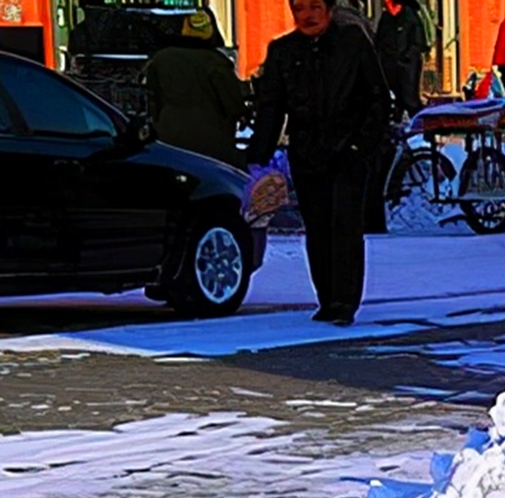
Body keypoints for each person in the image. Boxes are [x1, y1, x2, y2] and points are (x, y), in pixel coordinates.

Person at [249, 0, 390, 326]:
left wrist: (361, 145)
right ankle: (326, 298)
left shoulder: (352, 43)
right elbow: (270, 110)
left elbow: (378, 98)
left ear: (328, 9)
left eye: (315, 6)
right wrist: (258, 159)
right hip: (307, 153)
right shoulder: (283, 51)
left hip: (347, 152)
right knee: (317, 229)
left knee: (345, 228)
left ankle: (344, 302)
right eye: (300, 8)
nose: (308, 15)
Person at [144, 10, 244, 167]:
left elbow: (152, 102)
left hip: (169, 143)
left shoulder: (161, 59)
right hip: (213, 147)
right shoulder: (216, 62)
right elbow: (234, 105)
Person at [375, 0, 430, 117]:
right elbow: (379, 43)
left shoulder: (411, 16)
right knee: (392, 101)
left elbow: (419, 42)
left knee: (410, 100)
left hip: (408, 66)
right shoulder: (385, 18)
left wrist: (408, 56)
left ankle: (417, 125)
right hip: (389, 66)